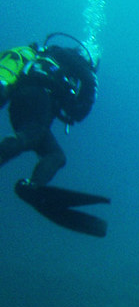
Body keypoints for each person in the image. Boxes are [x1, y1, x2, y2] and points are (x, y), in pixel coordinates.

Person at [1, 33, 108, 236]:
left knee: (56, 156)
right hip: (38, 100)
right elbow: (80, 110)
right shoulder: (79, 64)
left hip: (20, 106)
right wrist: (90, 80)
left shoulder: (51, 57)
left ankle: (33, 186)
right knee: (32, 135)